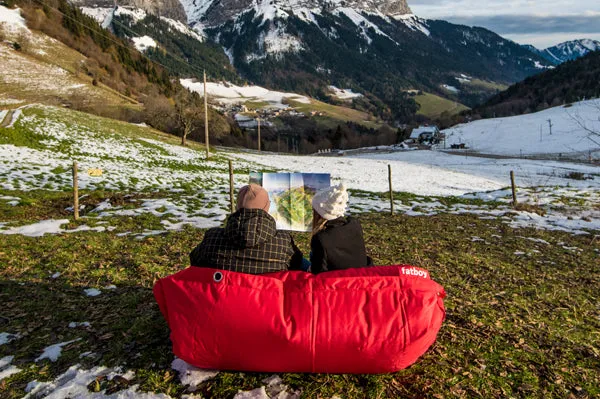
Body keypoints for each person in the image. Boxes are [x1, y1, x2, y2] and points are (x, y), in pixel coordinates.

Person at [190, 184, 304, 274]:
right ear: (267, 207)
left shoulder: (212, 238)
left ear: (237, 205)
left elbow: (194, 261)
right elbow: (300, 267)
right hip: (267, 302)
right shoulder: (283, 242)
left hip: (220, 301)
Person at [310, 183, 372, 274]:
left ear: (319, 214)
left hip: (337, 284)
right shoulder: (354, 224)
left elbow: (319, 275)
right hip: (360, 278)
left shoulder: (321, 238)